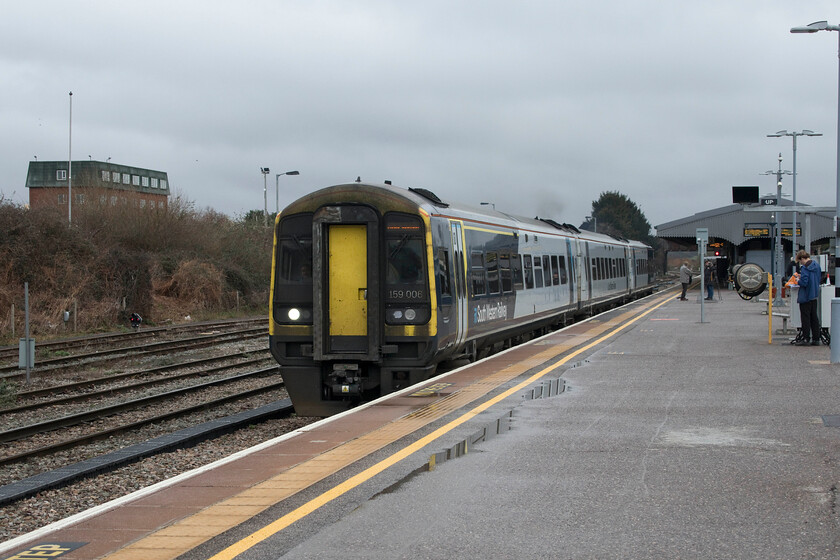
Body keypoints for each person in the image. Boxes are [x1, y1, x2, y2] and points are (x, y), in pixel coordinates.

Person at [794, 250, 821, 346]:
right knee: (814, 318)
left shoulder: (805, 268)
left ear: (802, 259)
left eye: (800, 260)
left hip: (805, 296)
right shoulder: (817, 266)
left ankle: (806, 338)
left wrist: (798, 280)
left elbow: (804, 282)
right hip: (814, 294)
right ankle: (816, 338)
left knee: (805, 318)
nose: (800, 262)